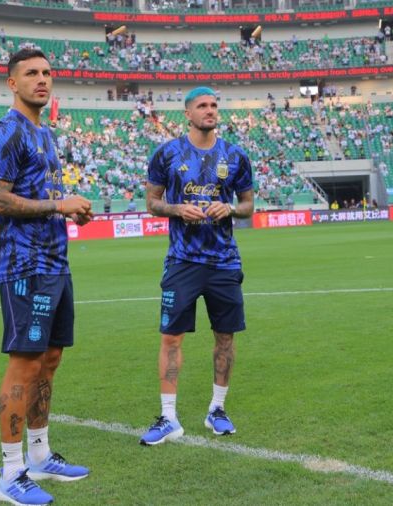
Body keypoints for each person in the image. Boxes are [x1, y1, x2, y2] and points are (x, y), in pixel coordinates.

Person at [0, 48, 94, 506]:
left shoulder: (44, 132)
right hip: (24, 268)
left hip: (55, 263)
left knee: (49, 360)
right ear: (12, 83)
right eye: (31, 73)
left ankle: (41, 454)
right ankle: (10, 474)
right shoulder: (8, 132)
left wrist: (71, 209)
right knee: (26, 363)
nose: (42, 80)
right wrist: (56, 206)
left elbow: (42, 195)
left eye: (47, 73)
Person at [140, 86, 254, 446]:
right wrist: (177, 209)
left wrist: (231, 208)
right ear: (187, 114)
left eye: (214, 105)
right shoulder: (167, 154)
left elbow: (249, 204)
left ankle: (217, 409)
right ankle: (168, 417)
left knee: (225, 336)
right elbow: (152, 202)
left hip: (224, 261)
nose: (210, 110)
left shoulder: (235, 156)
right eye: (202, 106)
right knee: (170, 337)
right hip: (182, 261)